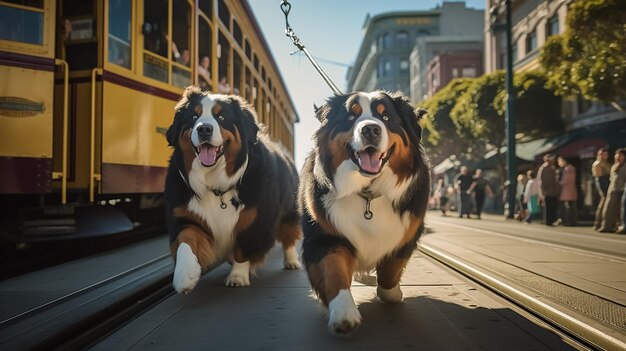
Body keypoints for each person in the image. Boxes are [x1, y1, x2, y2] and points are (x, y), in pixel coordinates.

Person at [599, 148, 626, 233]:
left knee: (620, 211)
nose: (618, 157)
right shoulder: (614, 166)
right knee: (608, 209)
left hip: (622, 190)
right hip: (612, 189)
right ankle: (606, 226)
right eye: (617, 155)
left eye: (621, 155)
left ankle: (618, 226)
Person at [537, 154, 560, 226]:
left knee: (552, 206)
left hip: (552, 190)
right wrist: (543, 190)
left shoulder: (552, 167)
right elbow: (542, 180)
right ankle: (548, 221)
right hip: (547, 190)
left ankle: (551, 220)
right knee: (548, 206)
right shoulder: (544, 167)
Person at [592, 148, 611, 230]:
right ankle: (598, 222)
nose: (603, 156)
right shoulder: (597, 164)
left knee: (605, 201)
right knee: (604, 200)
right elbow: (599, 175)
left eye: (604, 155)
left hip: (606, 181)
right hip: (601, 181)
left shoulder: (606, 163)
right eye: (601, 154)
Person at [557, 156, 577, 226]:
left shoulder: (567, 169)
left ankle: (567, 221)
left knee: (567, 207)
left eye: (560, 161)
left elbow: (565, 181)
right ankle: (571, 221)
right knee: (571, 206)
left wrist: (558, 183)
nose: (559, 163)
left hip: (566, 190)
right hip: (571, 189)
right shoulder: (572, 168)